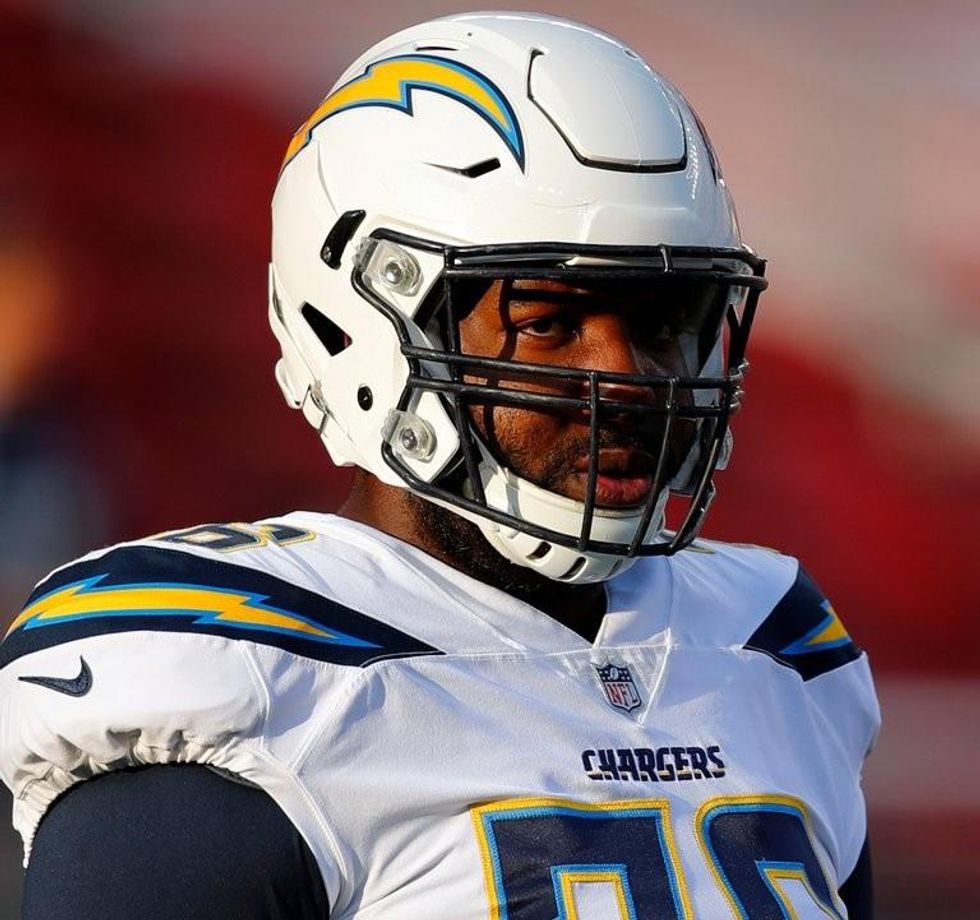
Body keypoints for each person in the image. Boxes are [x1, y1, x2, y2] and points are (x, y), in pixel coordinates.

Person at [0, 11, 878, 918]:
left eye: (661, 324)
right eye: (549, 323)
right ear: (360, 328)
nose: (624, 380)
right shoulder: (250, 676)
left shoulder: (769, 647)